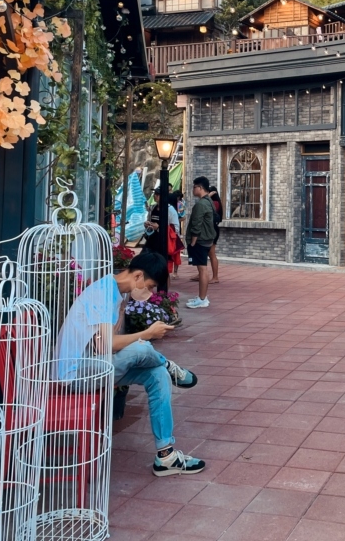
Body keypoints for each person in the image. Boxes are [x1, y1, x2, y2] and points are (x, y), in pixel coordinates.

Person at [55, 251, 205, 476]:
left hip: (98, 365)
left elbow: (101, 347)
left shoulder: (117, 293)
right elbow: (108, 345)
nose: (150, 292)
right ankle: (167, 364)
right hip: (77, 373)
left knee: (157, 375)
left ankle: (166, 456)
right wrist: (148, 333)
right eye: (150, 286)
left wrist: (123, 312)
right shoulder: (103, 292)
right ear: (137, 277)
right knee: (143, 346)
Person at [185, 177, 216, 308]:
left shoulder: (201, 204)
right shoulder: (209, 201)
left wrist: (193, 242)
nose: (193, 189)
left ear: (200, 188)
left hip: (200, 240)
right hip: (207, 239)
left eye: (194, 187)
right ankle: (201, 297)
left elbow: (196, 225)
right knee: (202, 268)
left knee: (202, 269)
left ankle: (202, 299)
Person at [207, 184, 222, 285]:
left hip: (212, 229)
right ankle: (201, 274)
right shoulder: (213, 202)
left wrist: (207, 197)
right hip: (209, 229)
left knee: (212, 253)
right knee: (206, 253)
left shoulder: (214, 203)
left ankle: (215, 276)